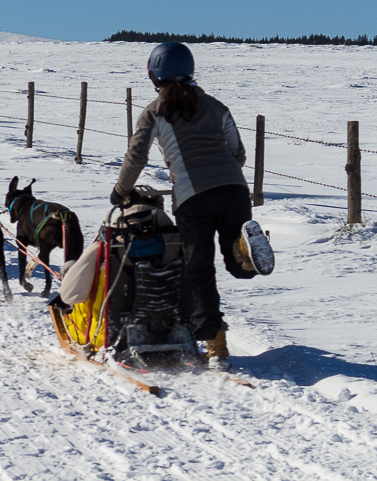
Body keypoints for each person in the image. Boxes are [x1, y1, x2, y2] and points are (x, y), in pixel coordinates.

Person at [111, 42, 273, 370]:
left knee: (198, 271)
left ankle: (217, 348)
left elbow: (136, 155)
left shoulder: (154, 112)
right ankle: (245, 250)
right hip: (235, 191)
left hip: (192, 197)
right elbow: (238, 153)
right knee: (234, 266)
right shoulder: (215, 106)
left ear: (153, 73)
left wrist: (120, 191)